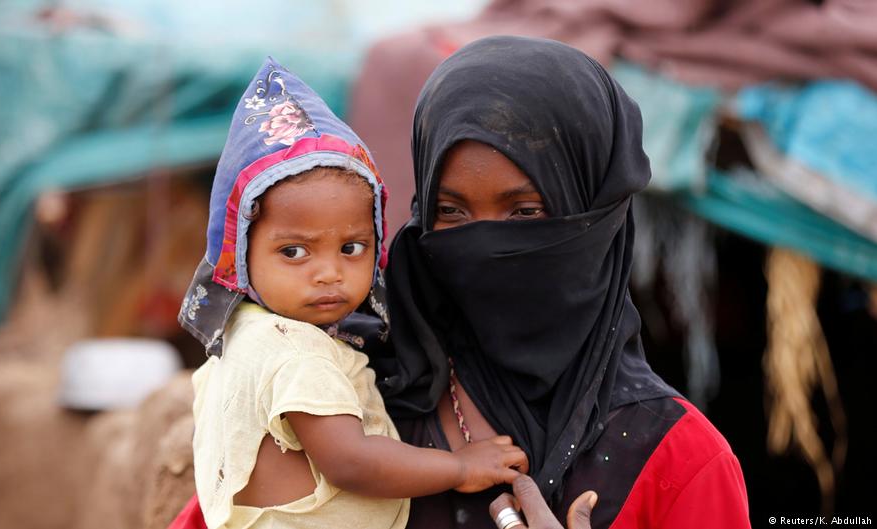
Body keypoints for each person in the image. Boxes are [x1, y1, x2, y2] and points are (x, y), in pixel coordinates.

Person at [363, 35, 752, 529]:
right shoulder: (353, 411)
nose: (486, 246)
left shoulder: (680, 461)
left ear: (597, 217)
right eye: (451, 211)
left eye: (525, 212)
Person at [171, 57, 531, 529]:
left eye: (352, 247)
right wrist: (461, 467)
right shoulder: (300, 355)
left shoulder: (241, 333)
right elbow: (351, 461)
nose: (329, 273)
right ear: (239, 251)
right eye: (295, 251)